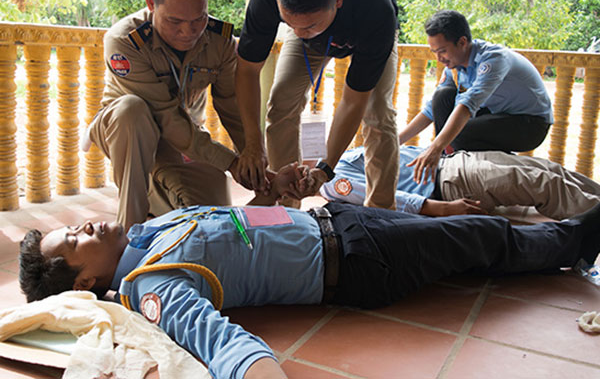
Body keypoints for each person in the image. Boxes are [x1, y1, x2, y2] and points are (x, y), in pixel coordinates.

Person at [19, 165, 600, 379]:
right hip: (357, 262)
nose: (87, 225)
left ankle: (560, 243)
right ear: (82, 284)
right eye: (73, 241)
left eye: (75, 224)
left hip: (340, 222)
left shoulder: (148, 233)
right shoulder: (154, 280)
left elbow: (247, 222)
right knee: (480, 237)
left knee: (467, 241)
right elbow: (215, 340)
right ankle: (577, 240)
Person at [85, 0, 246, 230]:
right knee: (132, 111)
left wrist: (252, 158)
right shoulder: (124, 41)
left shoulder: (221, 42)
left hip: (184, 139)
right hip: (127, 132)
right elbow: (166, 118)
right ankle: (128, 234)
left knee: (211, 215)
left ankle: (157, 207)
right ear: (151, 3)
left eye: (199, 18)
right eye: (174, 21)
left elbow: (232, 106)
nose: (188, 32)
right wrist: (231, 163)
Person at [234, 0, 400, 209]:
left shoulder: (375, 9)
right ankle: (287, 204)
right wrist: (253, 144)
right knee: (281, 103)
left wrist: (325, 170)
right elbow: (247, 71)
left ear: (339, 1)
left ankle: (381, 211)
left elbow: (353, 101)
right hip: (318, 41)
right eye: (289, 23)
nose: (300, 33)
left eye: (309, 26)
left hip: (368, 34)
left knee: (378, 113)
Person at [399, 10, 553, 185]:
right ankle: (450, 160)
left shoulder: (493, 59)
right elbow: (430, 110)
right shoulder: (454, 66)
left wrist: (434, 147)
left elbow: (467, 106)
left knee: (459, 133)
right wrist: (396, 142)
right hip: (495, 116)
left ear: (462, 42)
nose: (438, 58)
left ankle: (466, 165)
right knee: (442, 96)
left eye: (442, 51)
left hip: (531, 125)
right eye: (434, 52)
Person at [320, 146, 600, 220]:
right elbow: (387, 200)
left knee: (549, 169)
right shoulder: (333, 181)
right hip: (450, 182)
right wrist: (445, 208)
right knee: (542, 183)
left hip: (457, 161)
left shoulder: (345, 153)